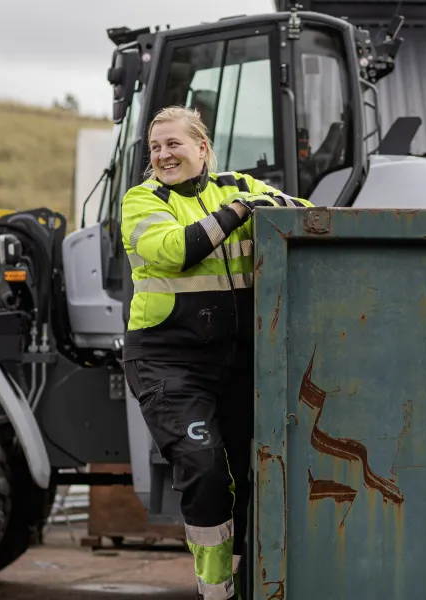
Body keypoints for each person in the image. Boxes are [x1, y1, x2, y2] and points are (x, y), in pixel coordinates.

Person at [120, 105, 313, 600]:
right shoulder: (142, 202)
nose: (163, 155)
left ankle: (251, 585)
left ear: (202, 148)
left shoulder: (238, 186)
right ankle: (216, 591)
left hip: (241, 360)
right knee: (205, 471)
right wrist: (242, 210)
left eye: (173, 144)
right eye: (155, 147)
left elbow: (307, 215)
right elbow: (176, 250)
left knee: (258, 476)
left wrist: (273, 202)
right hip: (169, 362)